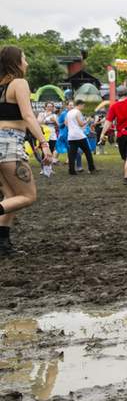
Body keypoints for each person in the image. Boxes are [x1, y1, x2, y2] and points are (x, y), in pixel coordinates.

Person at [0, 47, 53, 256]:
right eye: (24, 58)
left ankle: (3, 245)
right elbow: (28, 115)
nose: (27, 62)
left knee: (11, 196)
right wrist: (44, 143)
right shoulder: (19, 83)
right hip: (10, 144)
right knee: (28, 195)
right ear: (16, 62)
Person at [66, 99, 96, 176]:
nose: (83, 107)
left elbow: (65, 123)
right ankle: (91, 168)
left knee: (72, 154)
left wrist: (72, 127)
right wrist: (87, 120)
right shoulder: (78, 112)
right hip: (79, 135)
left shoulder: (69, 112)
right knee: (87, 151)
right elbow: (81, 124)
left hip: (71, 136)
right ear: (80, 105)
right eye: (83, 105)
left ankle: (71, 170)